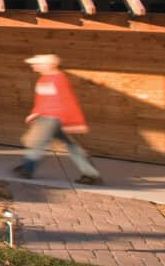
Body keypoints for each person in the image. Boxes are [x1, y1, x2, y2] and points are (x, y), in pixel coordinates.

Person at [14, 54, 102, 185]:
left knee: (38, 143)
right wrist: (35, 113)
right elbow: (44, 100)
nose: (34, 65)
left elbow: (67, 101)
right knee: (72, 146)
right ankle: (92, 174)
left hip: (52, 118)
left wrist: (77, 121)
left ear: (50, 65)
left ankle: (27, 169)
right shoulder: (44, 78)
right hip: (49, 118)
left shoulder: (58, 79)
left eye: (37, 63)